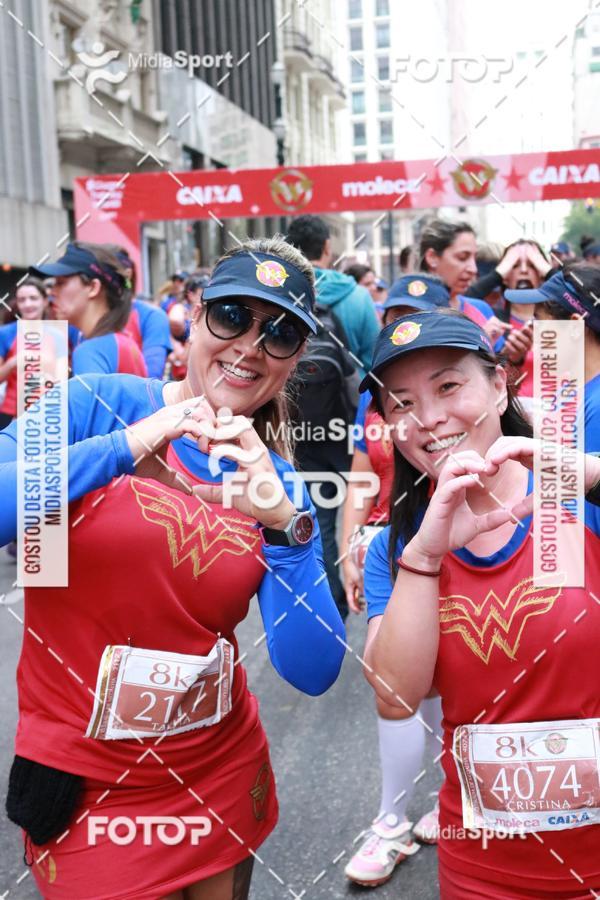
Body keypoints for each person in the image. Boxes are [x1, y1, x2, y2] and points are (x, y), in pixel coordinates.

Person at [0, 237, 345, 900]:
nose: (250, 345)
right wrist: (133, 440)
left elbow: (314, 669)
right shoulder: (93, 402)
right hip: (89, 792)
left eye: (278, 333)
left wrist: (290, 534)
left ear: (296, 358)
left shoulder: (270, 478)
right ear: (196, 315)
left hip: (218, 772)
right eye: (232, 317)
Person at [360, 308, 600, 898]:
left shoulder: (574, 503)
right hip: (482, 863)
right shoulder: (398, 549)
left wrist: (587, 475)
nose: (430, 418)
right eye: (401, 403)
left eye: (448, 386)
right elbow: (398, 696)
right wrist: (424, 558)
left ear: (498, 386)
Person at [342, 276, 450, 888]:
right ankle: (391, 820)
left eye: (419, 314)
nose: (403, 327)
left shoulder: (480, 399)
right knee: (398, 685)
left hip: (462, 536)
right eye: (394, 316)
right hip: (394, 542)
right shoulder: (374, 398)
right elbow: (361, 478)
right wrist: (349, 547)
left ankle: (452, 797)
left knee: (458, 676)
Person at [506, 263, 600, 452]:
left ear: (574, 327)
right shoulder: (570, 388)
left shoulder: (597, 405)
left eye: (539, 320)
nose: (531, 332)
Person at [29, 242, 148, 378]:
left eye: (61, 283)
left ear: (93, 287)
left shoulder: (91, 351)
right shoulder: (123, 342)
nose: (52, 292)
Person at [286, 215, 380, 375]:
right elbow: (374, 360)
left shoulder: (279, 293)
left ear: (289, 248)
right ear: (327, 247)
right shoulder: (359, 296)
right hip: (349, 395)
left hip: (289, 395)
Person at [419, 220, 504, 351]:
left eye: (474, 259)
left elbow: (501, 366)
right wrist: (481, 340)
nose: (473, 269)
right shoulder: (411, 312)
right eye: (462, 257)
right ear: (432, 257)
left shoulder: (481, 308)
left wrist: (516, 355)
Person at [0, 278, 52, 431]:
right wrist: (13, 363)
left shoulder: (60, 332)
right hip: (11, 415)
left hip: (49, 413)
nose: (28, 304)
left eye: (33, 298)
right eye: (22, 300)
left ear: (45, 301)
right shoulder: (6, 333)